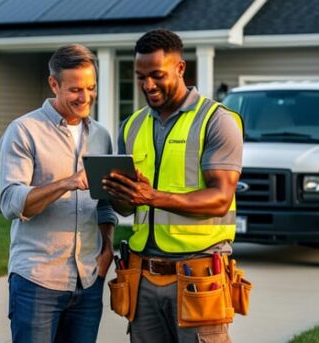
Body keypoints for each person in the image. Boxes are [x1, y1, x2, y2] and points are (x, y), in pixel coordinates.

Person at [103, 29, 243, 343]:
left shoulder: (217, 121)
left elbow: (220, 199)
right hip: (143, 276)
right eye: (140, 77)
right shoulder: (132, 125)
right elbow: (128, 207)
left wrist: (152, 197)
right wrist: (122, 194)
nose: (147, 85)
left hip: (198, 275)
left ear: (180, 68)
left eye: (156, 75)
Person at [0, 44, 117, 343]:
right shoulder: (24, 130)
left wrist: (106, 249)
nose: (86, 97)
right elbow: (11, 203)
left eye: (91, 88)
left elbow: (105, 202)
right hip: (37, 280)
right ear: (54, 84)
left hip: (89, 280)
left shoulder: (101, 136)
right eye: (76, 89)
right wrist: (67, 183)